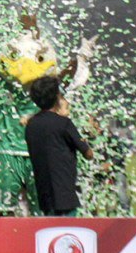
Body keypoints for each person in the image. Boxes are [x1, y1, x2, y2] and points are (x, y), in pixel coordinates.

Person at [24, 75, 93, 216]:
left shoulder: (31, 125)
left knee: (50, 228)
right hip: (64, 188)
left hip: (44, 189)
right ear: (57, 97)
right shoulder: (64, 123)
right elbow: (88, 154)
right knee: (68, 229)